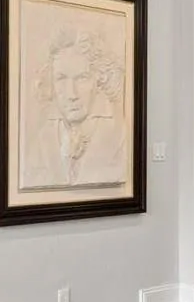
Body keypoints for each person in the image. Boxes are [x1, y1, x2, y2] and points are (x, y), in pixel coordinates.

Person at [20, 25, 128, 190]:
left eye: (82, 78)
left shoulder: (120, 133)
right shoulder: (42, 137)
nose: (72, 93)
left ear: (99, 80)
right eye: (61, 79)